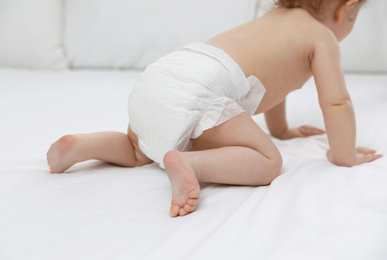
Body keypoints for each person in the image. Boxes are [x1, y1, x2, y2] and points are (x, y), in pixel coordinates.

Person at [47, 0, 382, 217]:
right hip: (203, 89)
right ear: (346, 9)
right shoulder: (321, 37)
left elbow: (274, 86)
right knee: (268, 161)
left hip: (164, 73)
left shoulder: (271, 18)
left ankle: (79, 146)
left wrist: (281, 130)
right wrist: (343, 154)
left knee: (138, 148)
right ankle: (189, 163)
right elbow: (336, 102)